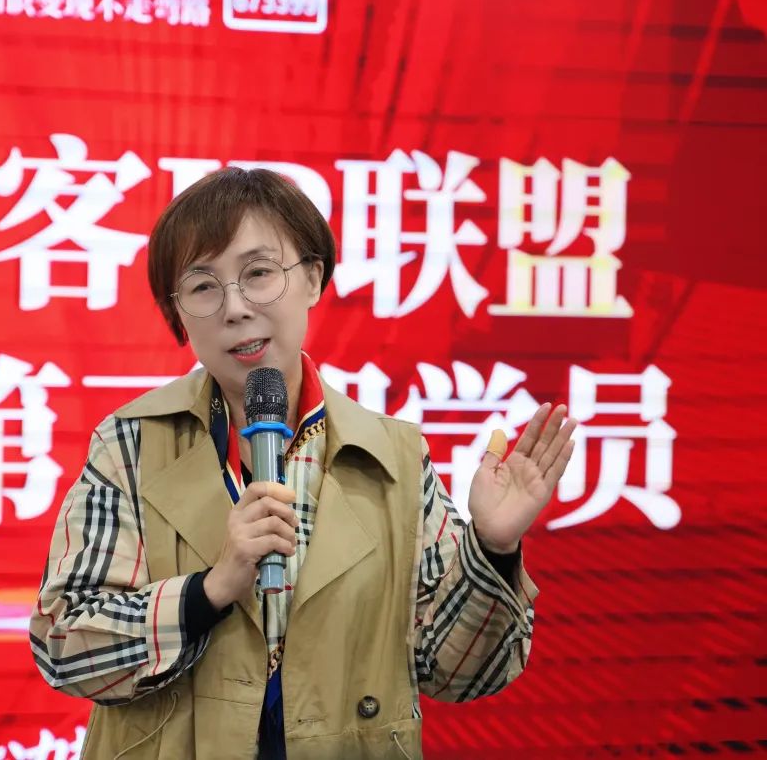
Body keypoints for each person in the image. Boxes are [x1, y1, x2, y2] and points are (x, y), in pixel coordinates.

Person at [30, 168, 576, 759]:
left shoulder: (393, 455)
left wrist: (492, 548)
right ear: (177, 311)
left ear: (312, 278)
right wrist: (209, 591)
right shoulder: (131, 442)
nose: (236, 308)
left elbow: (460, 672)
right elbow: (63, 646)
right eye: (203, 286)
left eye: (259, 273)